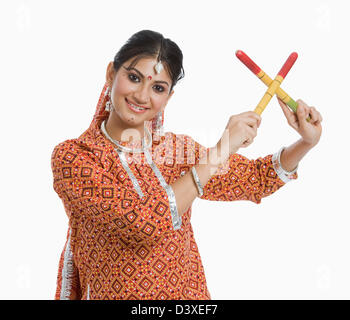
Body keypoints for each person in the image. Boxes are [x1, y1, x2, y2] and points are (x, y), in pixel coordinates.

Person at [51, 30, 323, 300]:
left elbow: (255, 179)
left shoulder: (176, 151)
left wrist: (306, 142)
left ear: (168, 97)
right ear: (111, 73)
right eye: (134, 78)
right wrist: (220, 151)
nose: (143, 96)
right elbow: (143, 223)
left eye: (158, 87)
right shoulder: (75, 158)